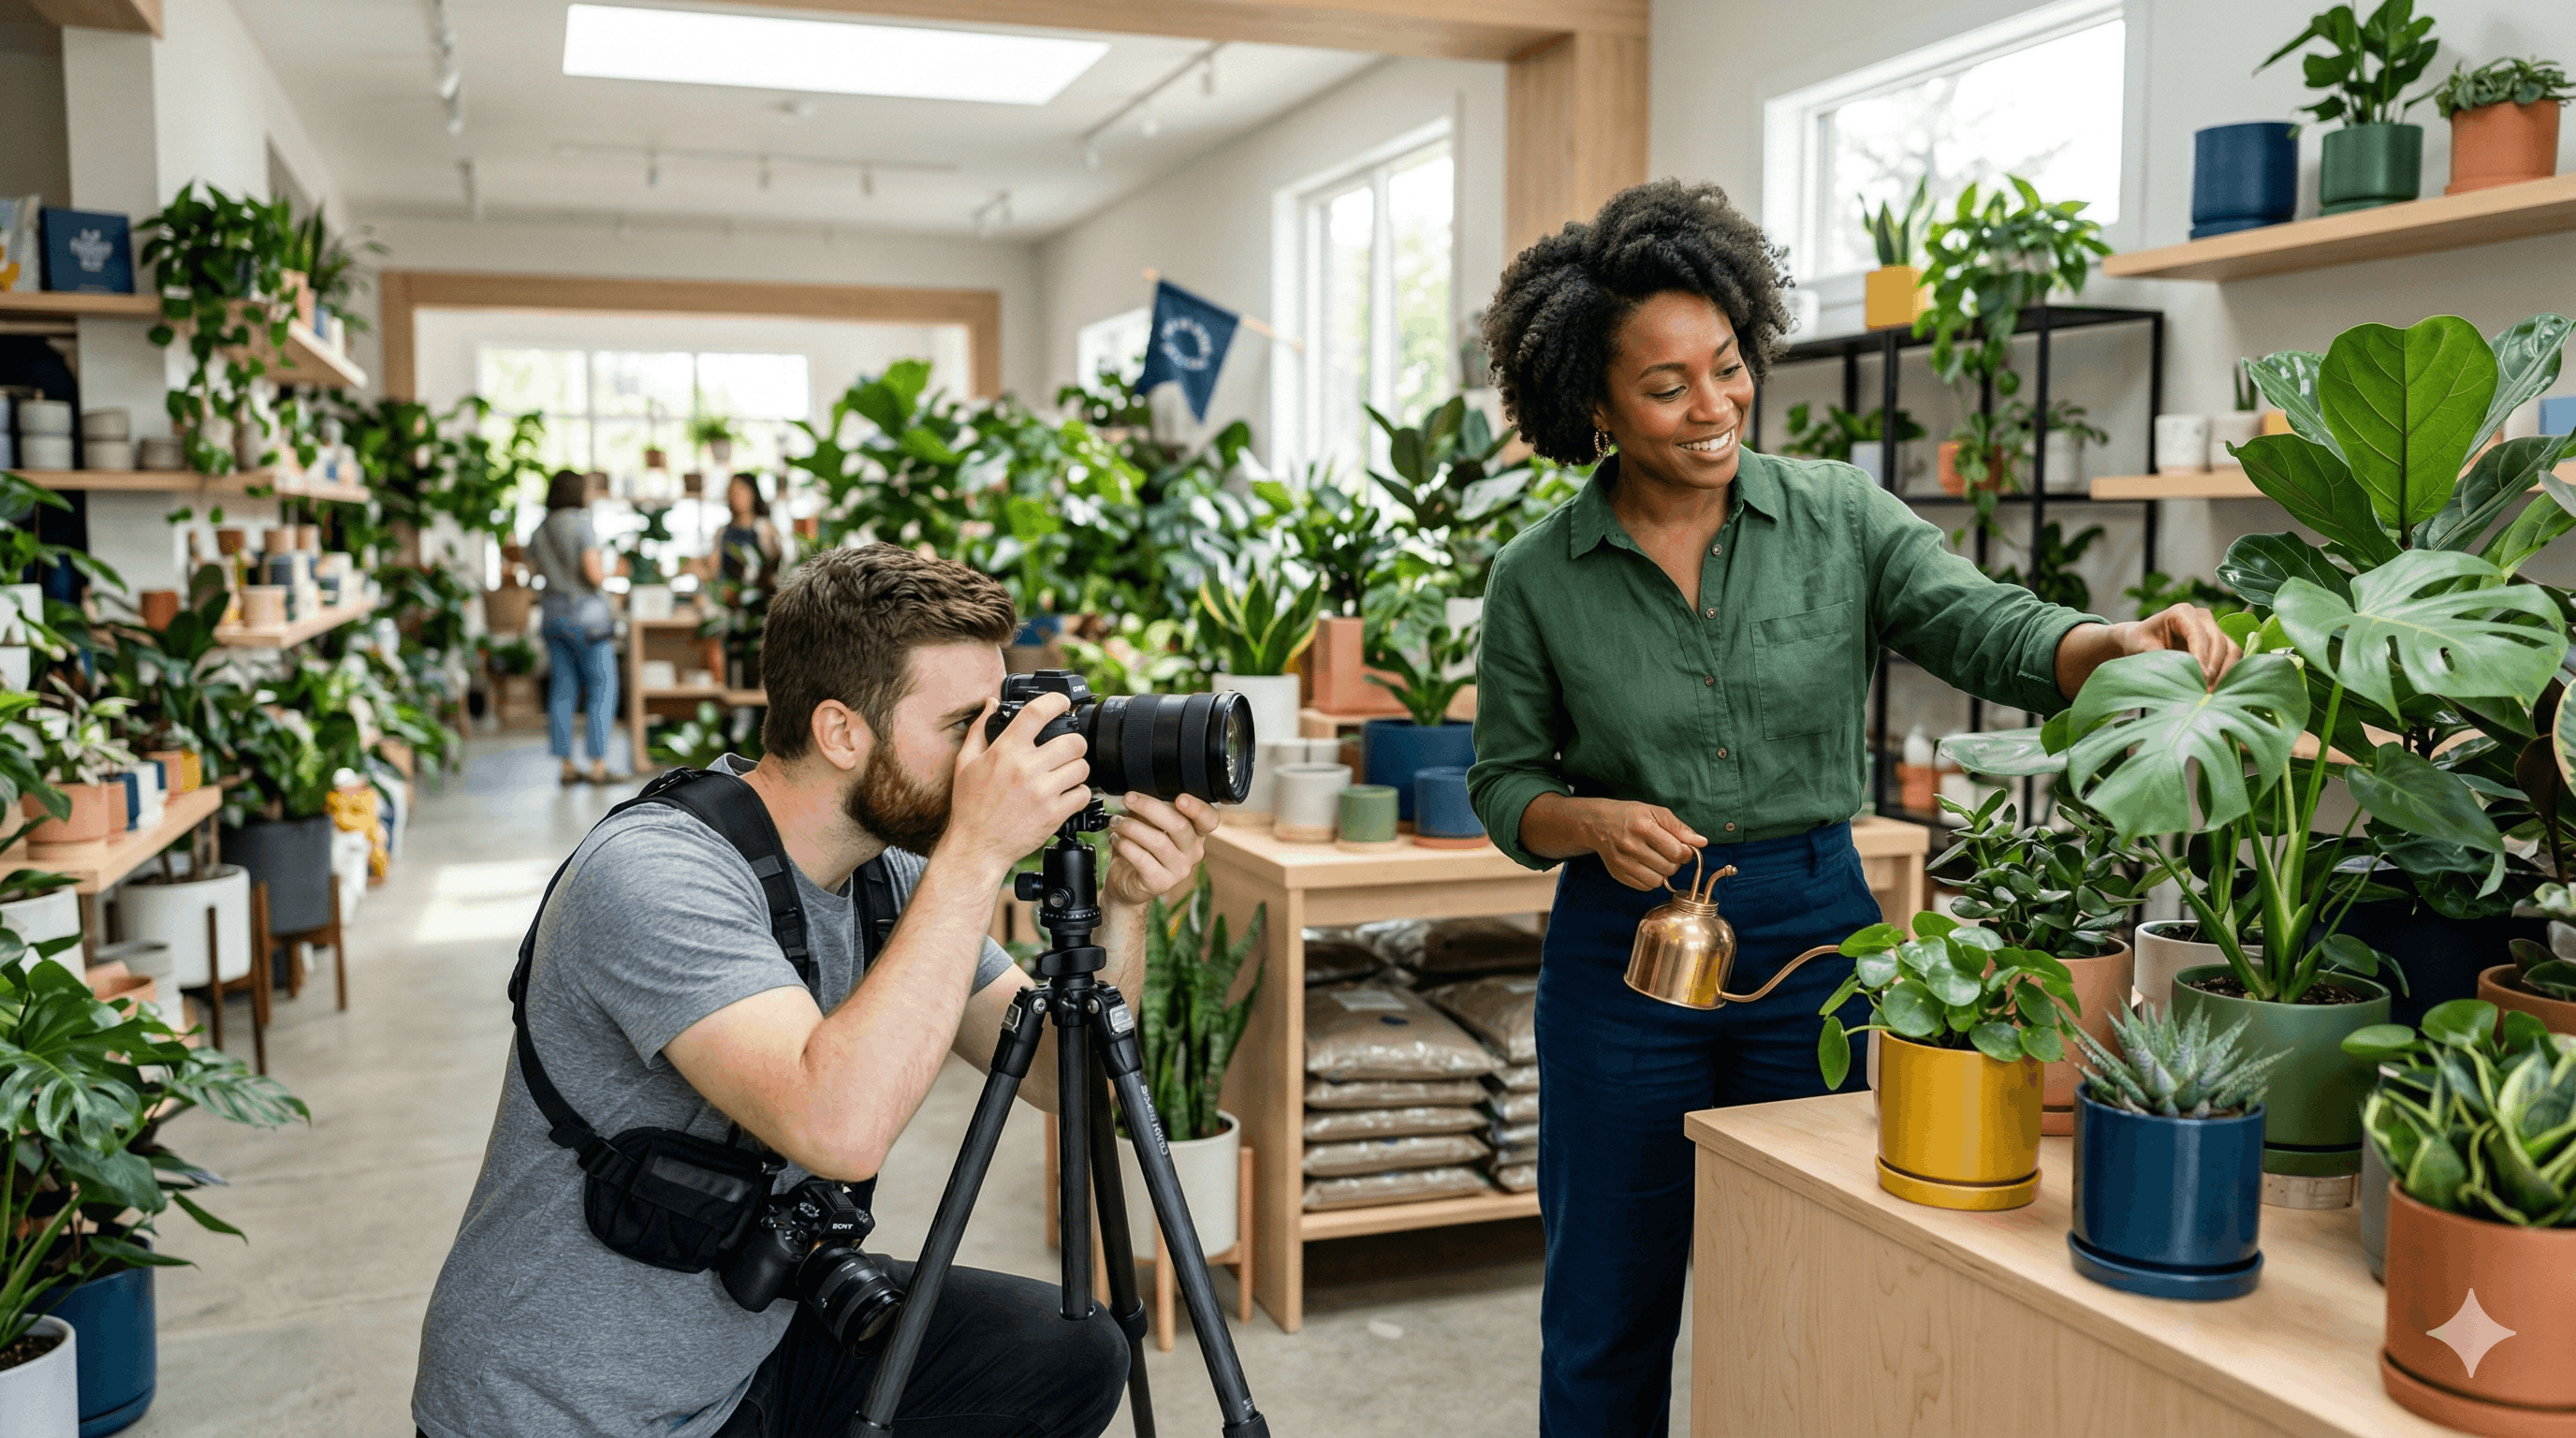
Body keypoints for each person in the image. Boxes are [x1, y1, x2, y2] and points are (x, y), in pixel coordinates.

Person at [1465, 179, 2239, 1438]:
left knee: (1809, 1273)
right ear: (1592, 405)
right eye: (1667, 388)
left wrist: (2115, 639)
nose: (1712, 408)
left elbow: (1991, 628)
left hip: (1817, 925)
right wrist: (1592, 823)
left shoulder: (1840, 517)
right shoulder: (1538, 580)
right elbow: (1504, 784)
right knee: (1607, 1296)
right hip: (1625, 952)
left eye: (1726, 368)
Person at [413, 544, 1220, 1438]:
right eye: (963, 726)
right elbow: (837, 1128)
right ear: (841, 731)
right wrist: (978, 853)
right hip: (567, 1410)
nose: (988, 757)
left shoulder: (894, 874)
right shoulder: (656, 874)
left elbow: (1070, 1085)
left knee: (1066, 1350)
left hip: (752, 1354)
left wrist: (1126, 908)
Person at [531, 468, 623, 785]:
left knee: (562, 690)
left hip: (553, 615)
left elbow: (532, 567)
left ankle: (567, 766)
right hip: (589, 619)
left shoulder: (540, 529)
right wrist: (613, 572)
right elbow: (593, 573)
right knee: (602, 688)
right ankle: (598, 766)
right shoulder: (582, 523)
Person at [718, 471, 783, 587]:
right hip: (730, 596)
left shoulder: (765, 528)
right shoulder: (722, 532)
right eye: (732, 491)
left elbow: (777, 566)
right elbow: (714, 570)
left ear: (753, 493)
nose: (736, 496)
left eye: (741, 490)